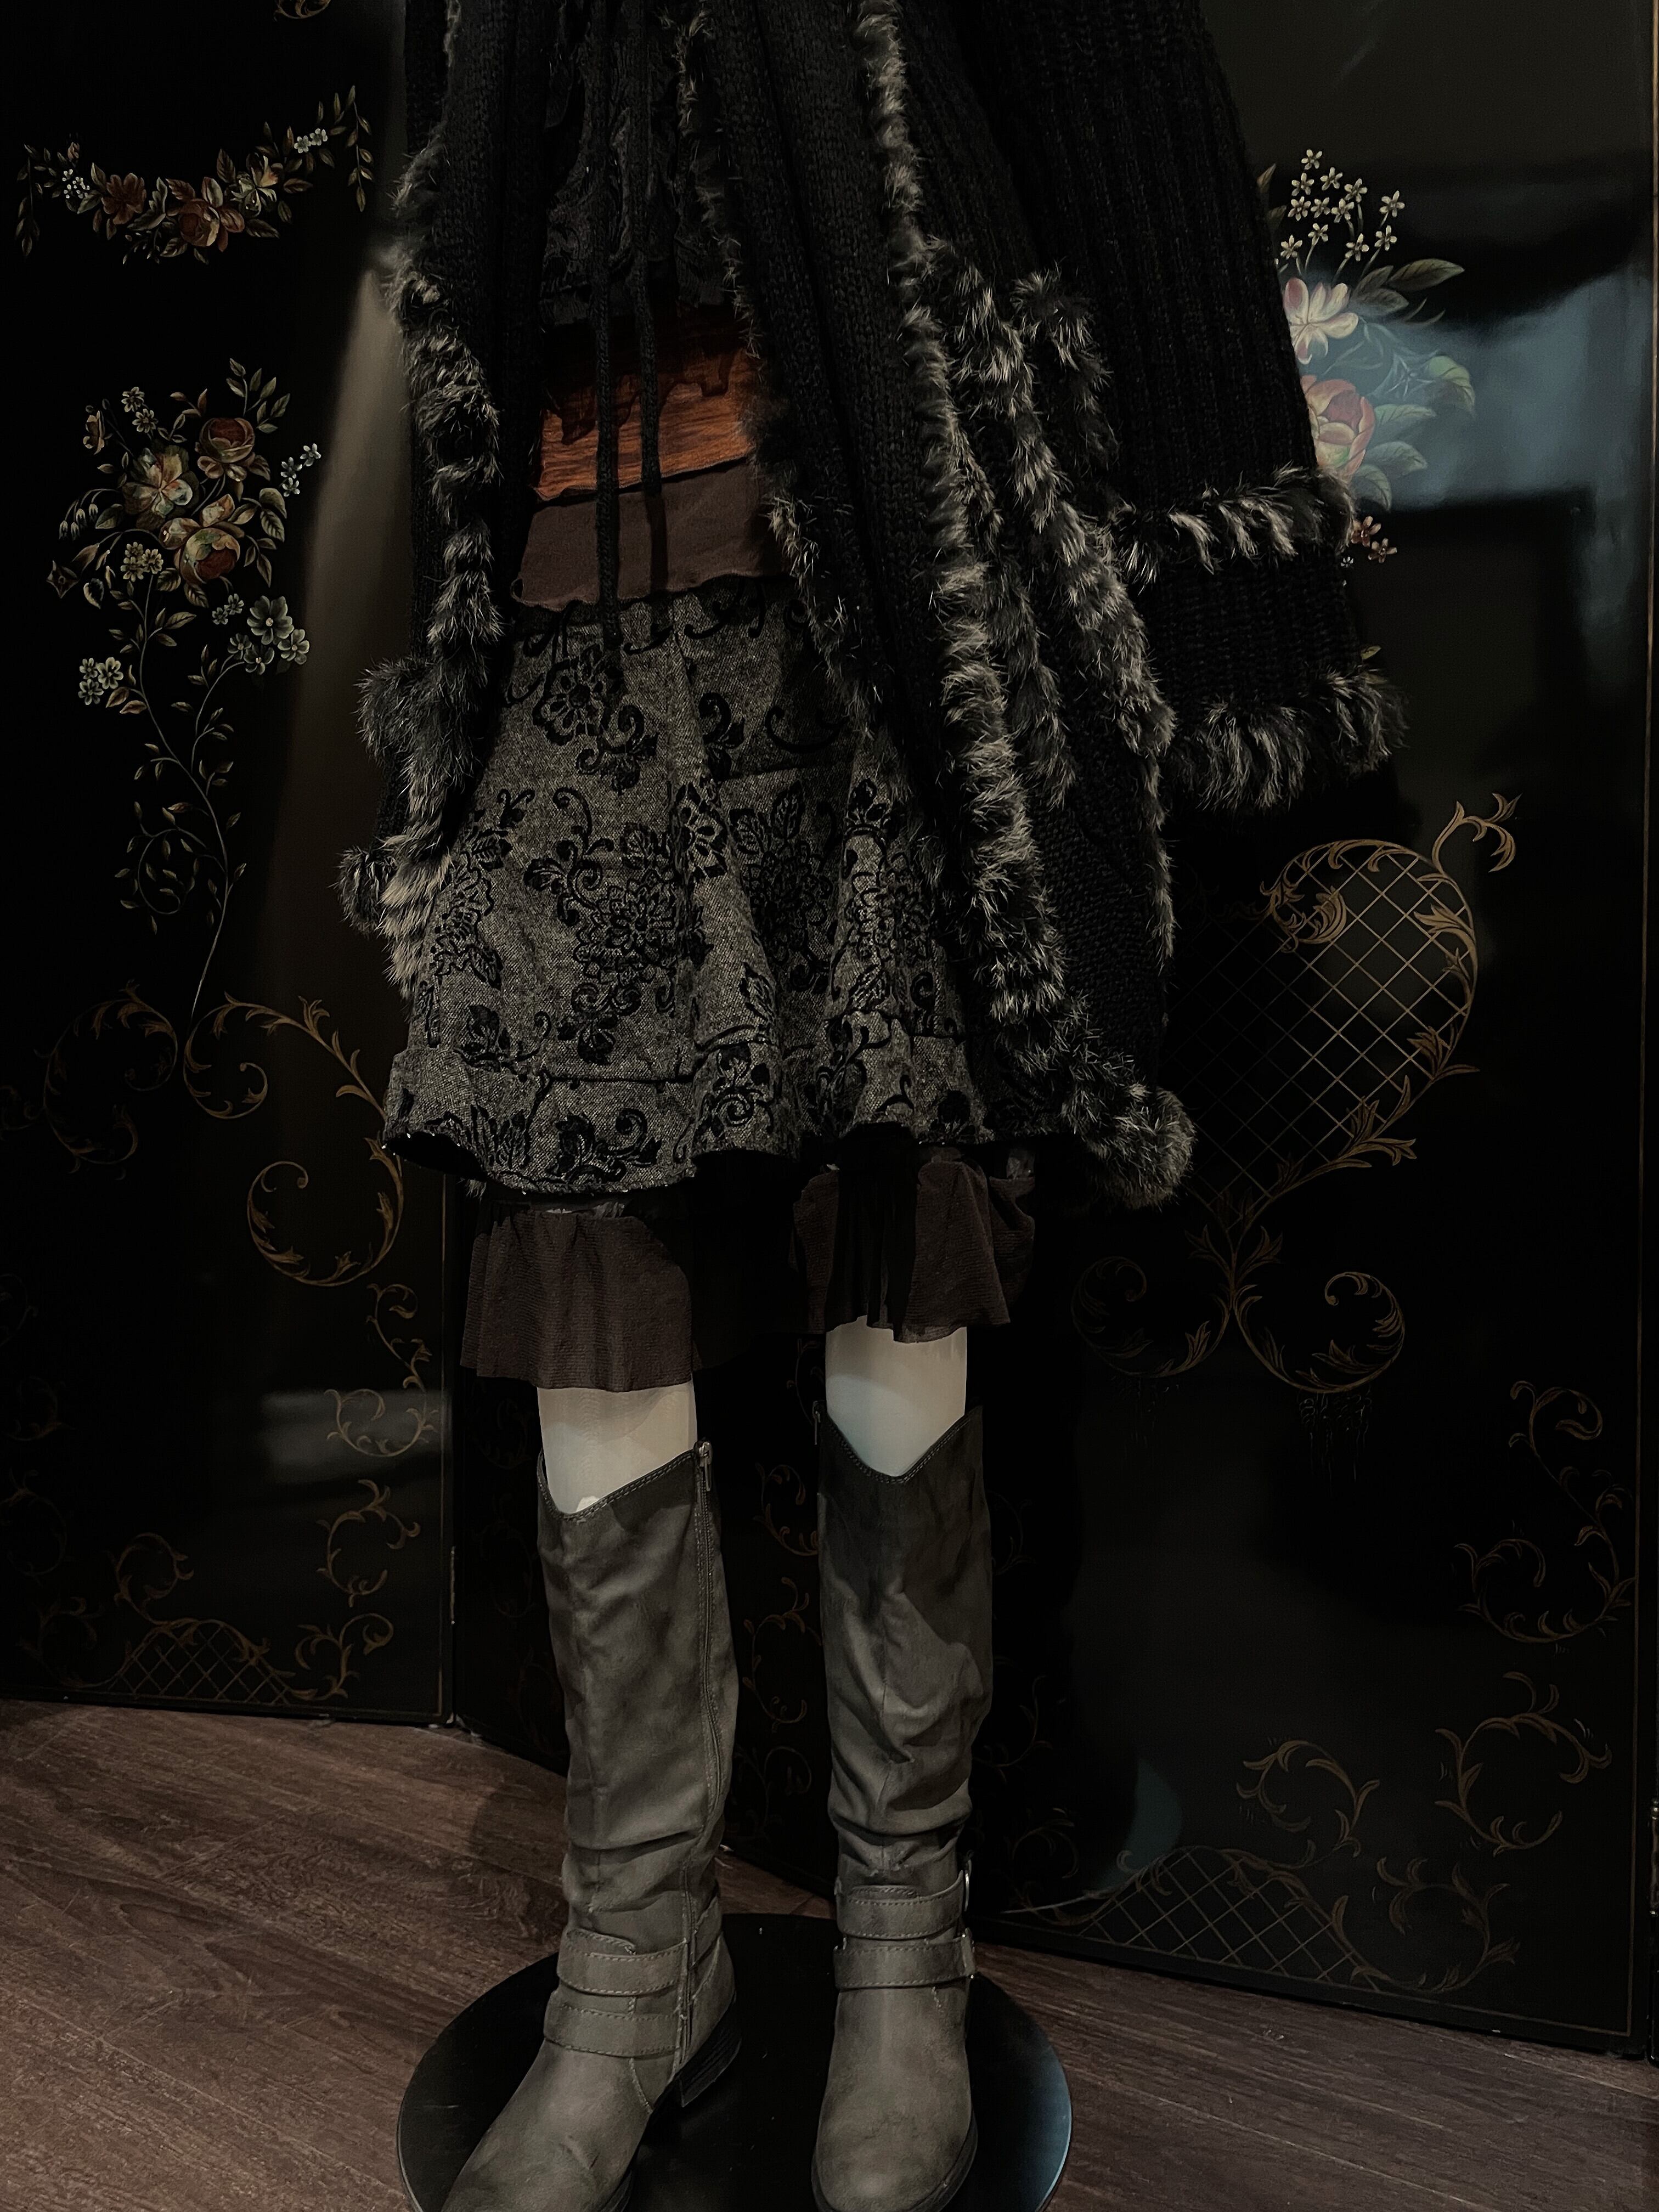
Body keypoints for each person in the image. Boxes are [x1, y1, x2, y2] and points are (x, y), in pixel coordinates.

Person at [343, 5, 1398, 2208]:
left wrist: (1233, 618)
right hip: (566, 617)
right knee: (581, 1265)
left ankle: (908, 1945)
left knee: (897, 1242)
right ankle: (638, 1961)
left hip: (880, 603)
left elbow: (1121, 109)